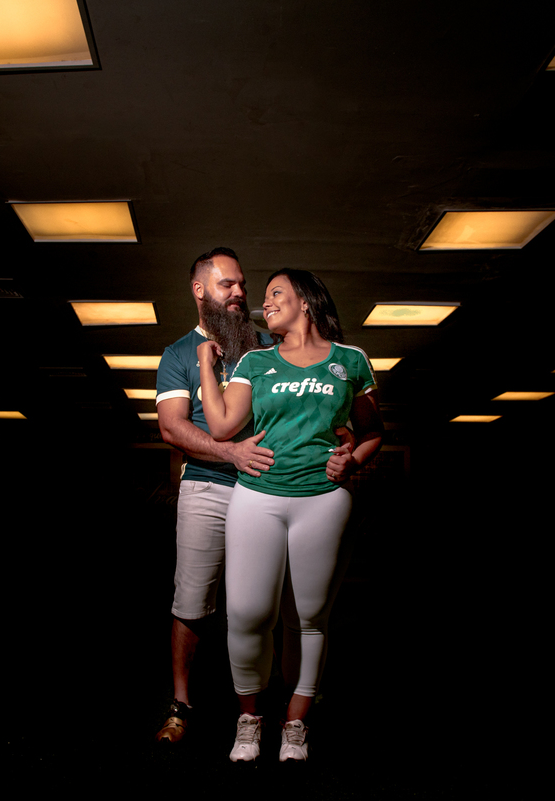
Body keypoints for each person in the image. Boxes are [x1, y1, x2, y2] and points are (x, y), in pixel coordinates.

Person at [197, 268, 383, 763]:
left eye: (276, 293)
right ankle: (249, 719)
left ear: (306, 300)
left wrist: (352, 461)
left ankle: (296, 723)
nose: (266, 303)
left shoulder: (351, 360)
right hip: (258, 495)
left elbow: (372, 433)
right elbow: (221, 426)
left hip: (323, 499)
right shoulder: (255, 362)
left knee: (308, 618)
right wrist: (205, 367)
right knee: (247, 614)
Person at [153, 247, 276, 745]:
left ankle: (261, 701)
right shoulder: (179, 354)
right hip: (205, 486)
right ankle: (180, 703)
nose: (240, 293)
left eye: (243, 283)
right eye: (228, 284)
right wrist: (230, 453)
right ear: (200, 290)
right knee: (192, 602)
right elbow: (171, 427)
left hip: (266, 486)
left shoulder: (268, 346)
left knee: (264, 601)